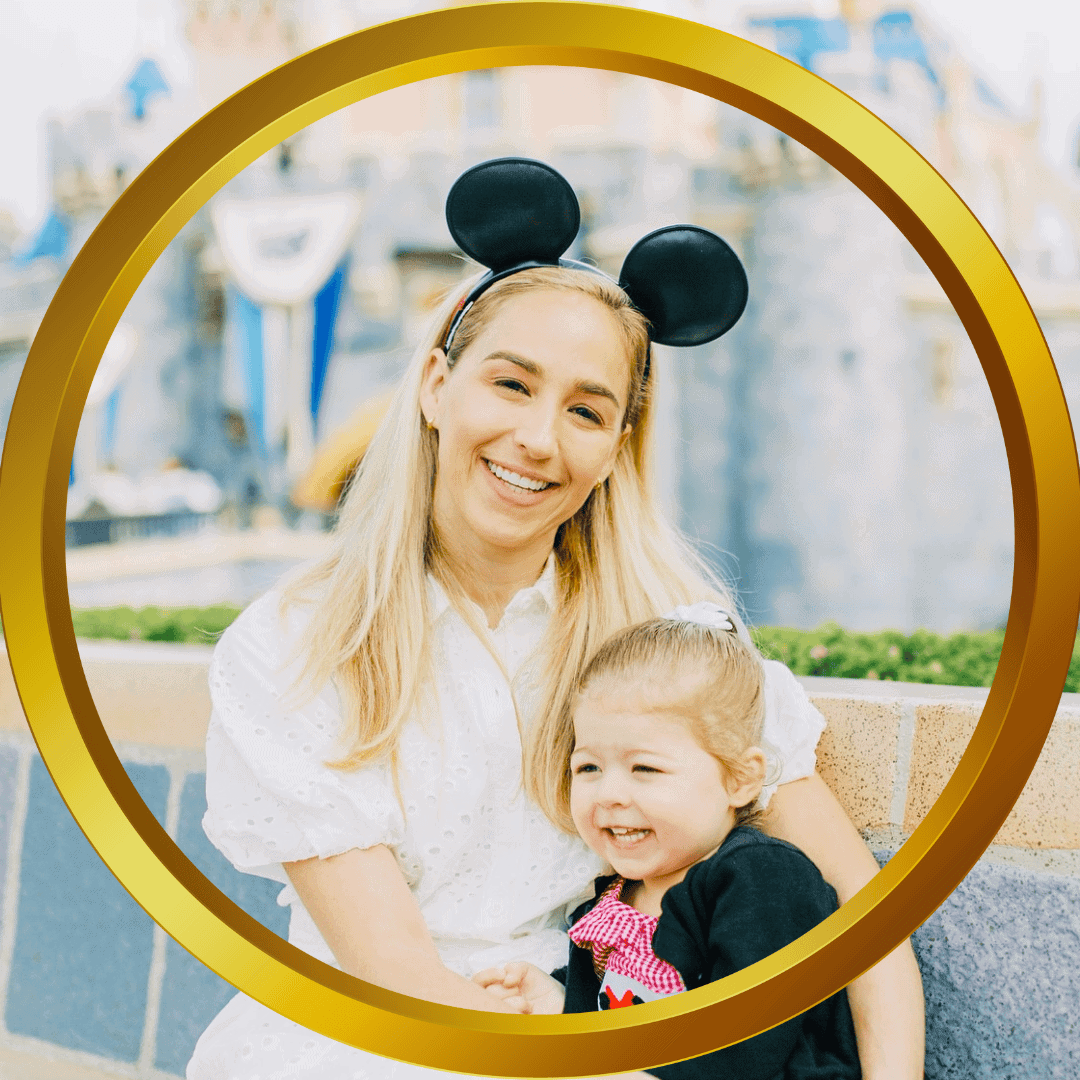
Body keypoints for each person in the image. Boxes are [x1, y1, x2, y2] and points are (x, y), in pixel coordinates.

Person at [187, 159, 923, 1080]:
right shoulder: (295, 645)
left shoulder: (672, 644)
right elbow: (403, 980)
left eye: (585, 410)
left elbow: (866, 931)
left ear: (617, 448)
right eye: (511, 385)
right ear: (433, 386)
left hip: (592, 1024)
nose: (538, 439)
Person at [473, 603, 862, 1080]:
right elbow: (610, 1025)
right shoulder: (613, 903)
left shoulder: (761, 881)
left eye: (645, 769)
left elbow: (743, 1046)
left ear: (739, 779)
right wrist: (558, 1004)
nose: (610, 794)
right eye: (589, 768)